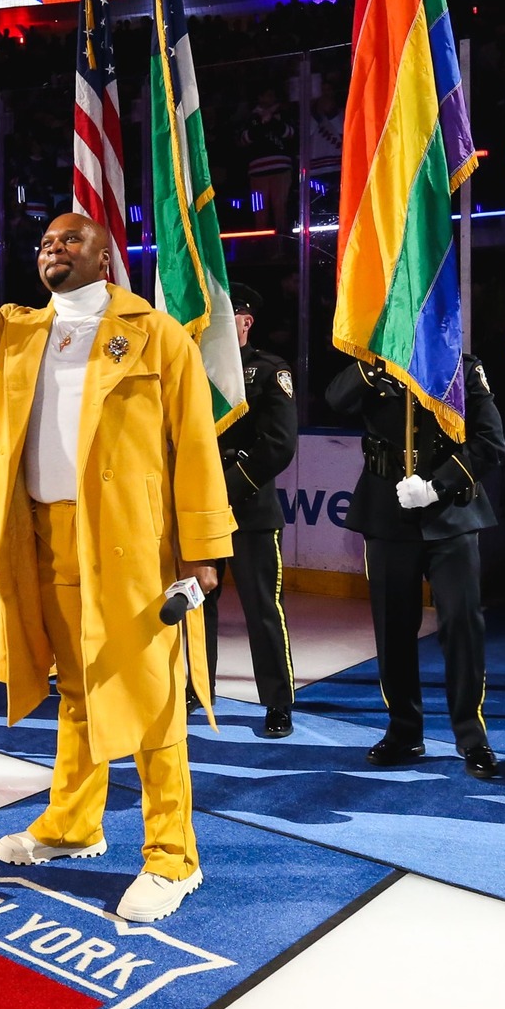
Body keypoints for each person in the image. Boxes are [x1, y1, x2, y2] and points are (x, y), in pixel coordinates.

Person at [0, 128, 233, 924]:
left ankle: (172, 856)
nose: (53, 247)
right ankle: (73, 822)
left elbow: (194, 444)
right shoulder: (17, 330)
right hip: (47, 542)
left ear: (104, 257)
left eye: (70, 239)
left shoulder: (155, 334)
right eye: (47, 240)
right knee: (77, 692)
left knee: (153, 704)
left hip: (136, 551)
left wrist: (204, 551)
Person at [326, 349, 505, 779]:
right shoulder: (372, 365)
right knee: (393, 629)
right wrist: (375, 367)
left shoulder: (460, 367)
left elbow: (489, 442)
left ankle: (471, 735)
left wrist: (437, 486)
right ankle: (404, 729)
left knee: (461, 628)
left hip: (451, 515)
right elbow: (336, 399)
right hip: (388, 515)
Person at [204, 283, 299, 738]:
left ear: (247, 323)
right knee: (197, 603)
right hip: (200, 508)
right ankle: (195, 688)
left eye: (237, 319)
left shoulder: (268, 371)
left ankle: (278, 702)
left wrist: (227, 487)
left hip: (249, 507)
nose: (232, 325)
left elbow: (279, 445)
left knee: (263, 608)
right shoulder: (194, 369)